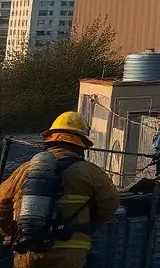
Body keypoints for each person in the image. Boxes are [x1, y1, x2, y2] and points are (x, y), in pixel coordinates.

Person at [0, 111, 120, 268]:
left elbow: (2, 202)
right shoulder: (90, 172)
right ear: (81, 145)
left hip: (28, 249)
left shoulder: (25, 169)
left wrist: (13, 229)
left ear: (50, 140)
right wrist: (87, 226)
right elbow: (110, 203)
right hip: (71, 252)